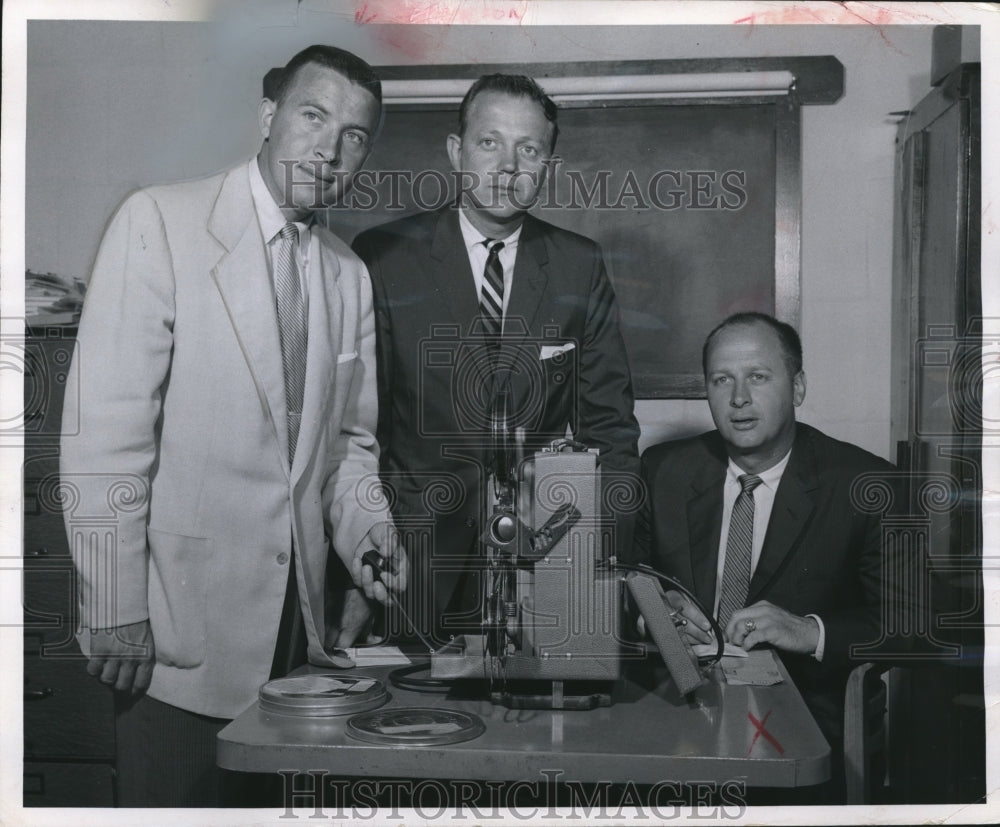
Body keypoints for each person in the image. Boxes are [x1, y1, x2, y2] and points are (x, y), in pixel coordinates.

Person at [59, 45, 407, 806]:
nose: (330, 147)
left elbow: (349, 448)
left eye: (355, 135)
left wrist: (370, 532)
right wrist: (113, 605)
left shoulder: (348, 273)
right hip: (176, 633)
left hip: (298, 639)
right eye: (314, 116)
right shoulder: (160, 220)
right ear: (268, 117)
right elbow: (103, 435)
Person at [353, 74, 640, 643]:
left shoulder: (577, 265)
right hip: (414, 560)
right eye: (490, 143)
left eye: (529, 150)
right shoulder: (384, 257)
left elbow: (609, 427)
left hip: (546, 558)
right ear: (457, 152)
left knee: (540, 724)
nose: (509, 166)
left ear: (548, 167)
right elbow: (361, 432)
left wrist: (593, 553)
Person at [634, 312, 903, 802]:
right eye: (722, 380)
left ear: (797, 387)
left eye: (758, 377)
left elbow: (916, 620)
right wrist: (655, 612)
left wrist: (809, 631)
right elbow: (620, 581)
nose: (739, 399)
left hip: (803, 727)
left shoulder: (867, 484)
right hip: (671, 714)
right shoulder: (663, 470)